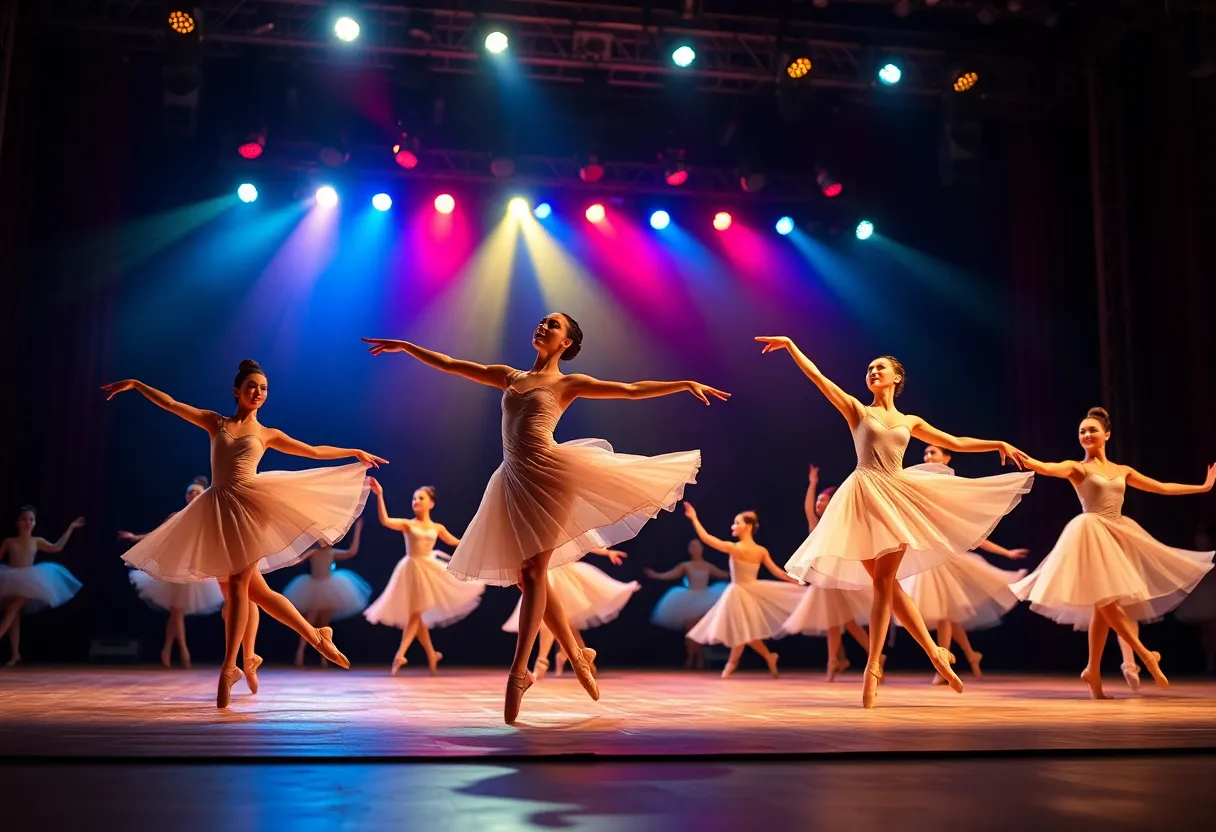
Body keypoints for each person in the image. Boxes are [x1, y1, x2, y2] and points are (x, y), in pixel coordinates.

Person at [364, 314, 724, 722]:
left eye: (552, 325)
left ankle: (519, 671)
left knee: (534, 572)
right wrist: (409, 348)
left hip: (552, 476)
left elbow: (629, 390)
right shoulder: (509, 376)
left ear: (567, 343)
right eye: (541, 322)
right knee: (526, 575)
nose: (542, 327)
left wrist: (683, 384)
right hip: (514, 479)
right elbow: (451, 364)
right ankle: (576, 651)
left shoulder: (568, 384)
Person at [757, 337, 1032, 707]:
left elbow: (955, 441)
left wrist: (996, 443)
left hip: (897, 497)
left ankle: (873, 666)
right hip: (861, 496)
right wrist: (792, 347)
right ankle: (934, 652)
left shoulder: (909, 421)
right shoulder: (857, 410)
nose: (872, 372)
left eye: (879, 368)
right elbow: (819, 378)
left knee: (886, 582)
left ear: (895, 378)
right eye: (869, 368)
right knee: (886, 585)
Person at [102, 359, 384, 707]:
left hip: (251, 509)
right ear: (237, 391)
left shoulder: (267, 434)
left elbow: (311, 451)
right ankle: (311, 636)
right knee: (256, 592)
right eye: (252, 387)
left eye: (263, 389)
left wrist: (353, 452)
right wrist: (137, 384)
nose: (258, 393)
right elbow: (173, 405)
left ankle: (228, 667)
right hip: (217, 511)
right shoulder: (215, 422)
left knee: (238, 585)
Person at [1013, 407, 1215, 699]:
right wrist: (1023, 457)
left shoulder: (1122, 471)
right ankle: (1145, 654)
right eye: (1082, 431)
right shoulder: (1077, 468)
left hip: (1118, 534)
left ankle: (1093, 672)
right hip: (1090, 533)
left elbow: (1161, 488)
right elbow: (1047, 467)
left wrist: (1202, 487)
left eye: (1092, 430)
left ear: (1106, 434)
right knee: (1106, 602)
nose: (1086, 435)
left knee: (1102, 605)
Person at [899, 446, 1029, 683]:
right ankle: (971, 655)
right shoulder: (921, 489)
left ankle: (942, 666)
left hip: (947, 562)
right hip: (927, 558)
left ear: (947, 458)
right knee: (946, 616)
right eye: (926, 453)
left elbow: (974, 536)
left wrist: (1006, 553)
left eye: (933, 453)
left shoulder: (953, 490)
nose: (928, 457)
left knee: (944, 616)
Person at [363, 480, 482, 675]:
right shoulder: (408, 524)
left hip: (429, 570)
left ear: (431, 503)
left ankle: (402, 654)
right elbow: (385, 521)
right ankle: (428, 654)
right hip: (411, 570)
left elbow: (457, 542)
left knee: (416, 615)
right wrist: (379, 494)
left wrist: (477, 539)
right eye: (414, 498)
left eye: (421, 498)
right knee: (416, 615)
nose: (416, 501)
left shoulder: (438, 527)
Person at [684, 504, 804, 678]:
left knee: (744, 631)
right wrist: (795, 582)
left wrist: (694, 519)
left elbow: (707, 539)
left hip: (744, 592)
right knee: (745, 631)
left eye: (736, 522)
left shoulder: (737, 548)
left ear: (747, 526)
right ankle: (766, 657)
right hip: (746, 592)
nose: (733, 526)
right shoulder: (758, 550)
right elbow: (777, 572)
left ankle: (733, 663)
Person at [120, 476, 225, 668]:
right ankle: (183, 650)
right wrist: (135, 537)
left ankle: (167, 648)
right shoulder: (176, 515)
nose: (192, 495)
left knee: (177, 611)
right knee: (177, 610)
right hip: (175, 566)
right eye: (190, 492)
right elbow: (158, 534)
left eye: (197, 492)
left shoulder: (208, 516)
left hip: (195, 566)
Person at [782, 467, 874, 681]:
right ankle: (843, 659)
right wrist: (812, 483)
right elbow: (807, 508)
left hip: (835, 579)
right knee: (840, 621)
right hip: (822, 580)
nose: (818, 504)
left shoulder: (839, 524)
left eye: (823, 500)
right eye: (818, 501)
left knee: (841, 621)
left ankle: (850, 659)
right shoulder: (816, 525)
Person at [502, 549, 637, 680]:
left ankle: (567, 662)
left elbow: (586, 540)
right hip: (548, 574)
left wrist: (607, 552)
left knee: (563, 623)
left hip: (565, 575)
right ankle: (577, 662)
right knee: (558, 622)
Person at [0, 507, 85, 666]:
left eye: (31, 519)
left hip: (29, 580)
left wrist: (70, 528)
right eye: (24, 519)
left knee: (12, 609)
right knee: (14, 615)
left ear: (35, 523)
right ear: (17, 522)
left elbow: (57, 547)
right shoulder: (9, 541)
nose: (28, 522)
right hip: (10, 578)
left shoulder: (36, 540)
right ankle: (15, 654)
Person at [284, 519, 370, 667]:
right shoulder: (313, 552)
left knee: (324, 625)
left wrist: (357, 531)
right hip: (312, 587)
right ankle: (300, 653)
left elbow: (352, 552)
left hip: (329, 587)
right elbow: (298, 560)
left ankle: (325, 657)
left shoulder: (332, 552)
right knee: (308, 623)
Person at [645, 539, 729, 669]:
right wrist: (656, 575)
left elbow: (723, 574)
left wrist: (739, 569)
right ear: (689, 550)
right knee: (691, 631)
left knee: (697, 630)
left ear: (701, 549)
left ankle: (696, 659)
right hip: (689, 599)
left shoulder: (707, 565)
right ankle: (694, 658)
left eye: (697, 546)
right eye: (692, 546)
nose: (694, 548)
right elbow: (671, 574)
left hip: (705, 599)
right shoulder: (686, 565)